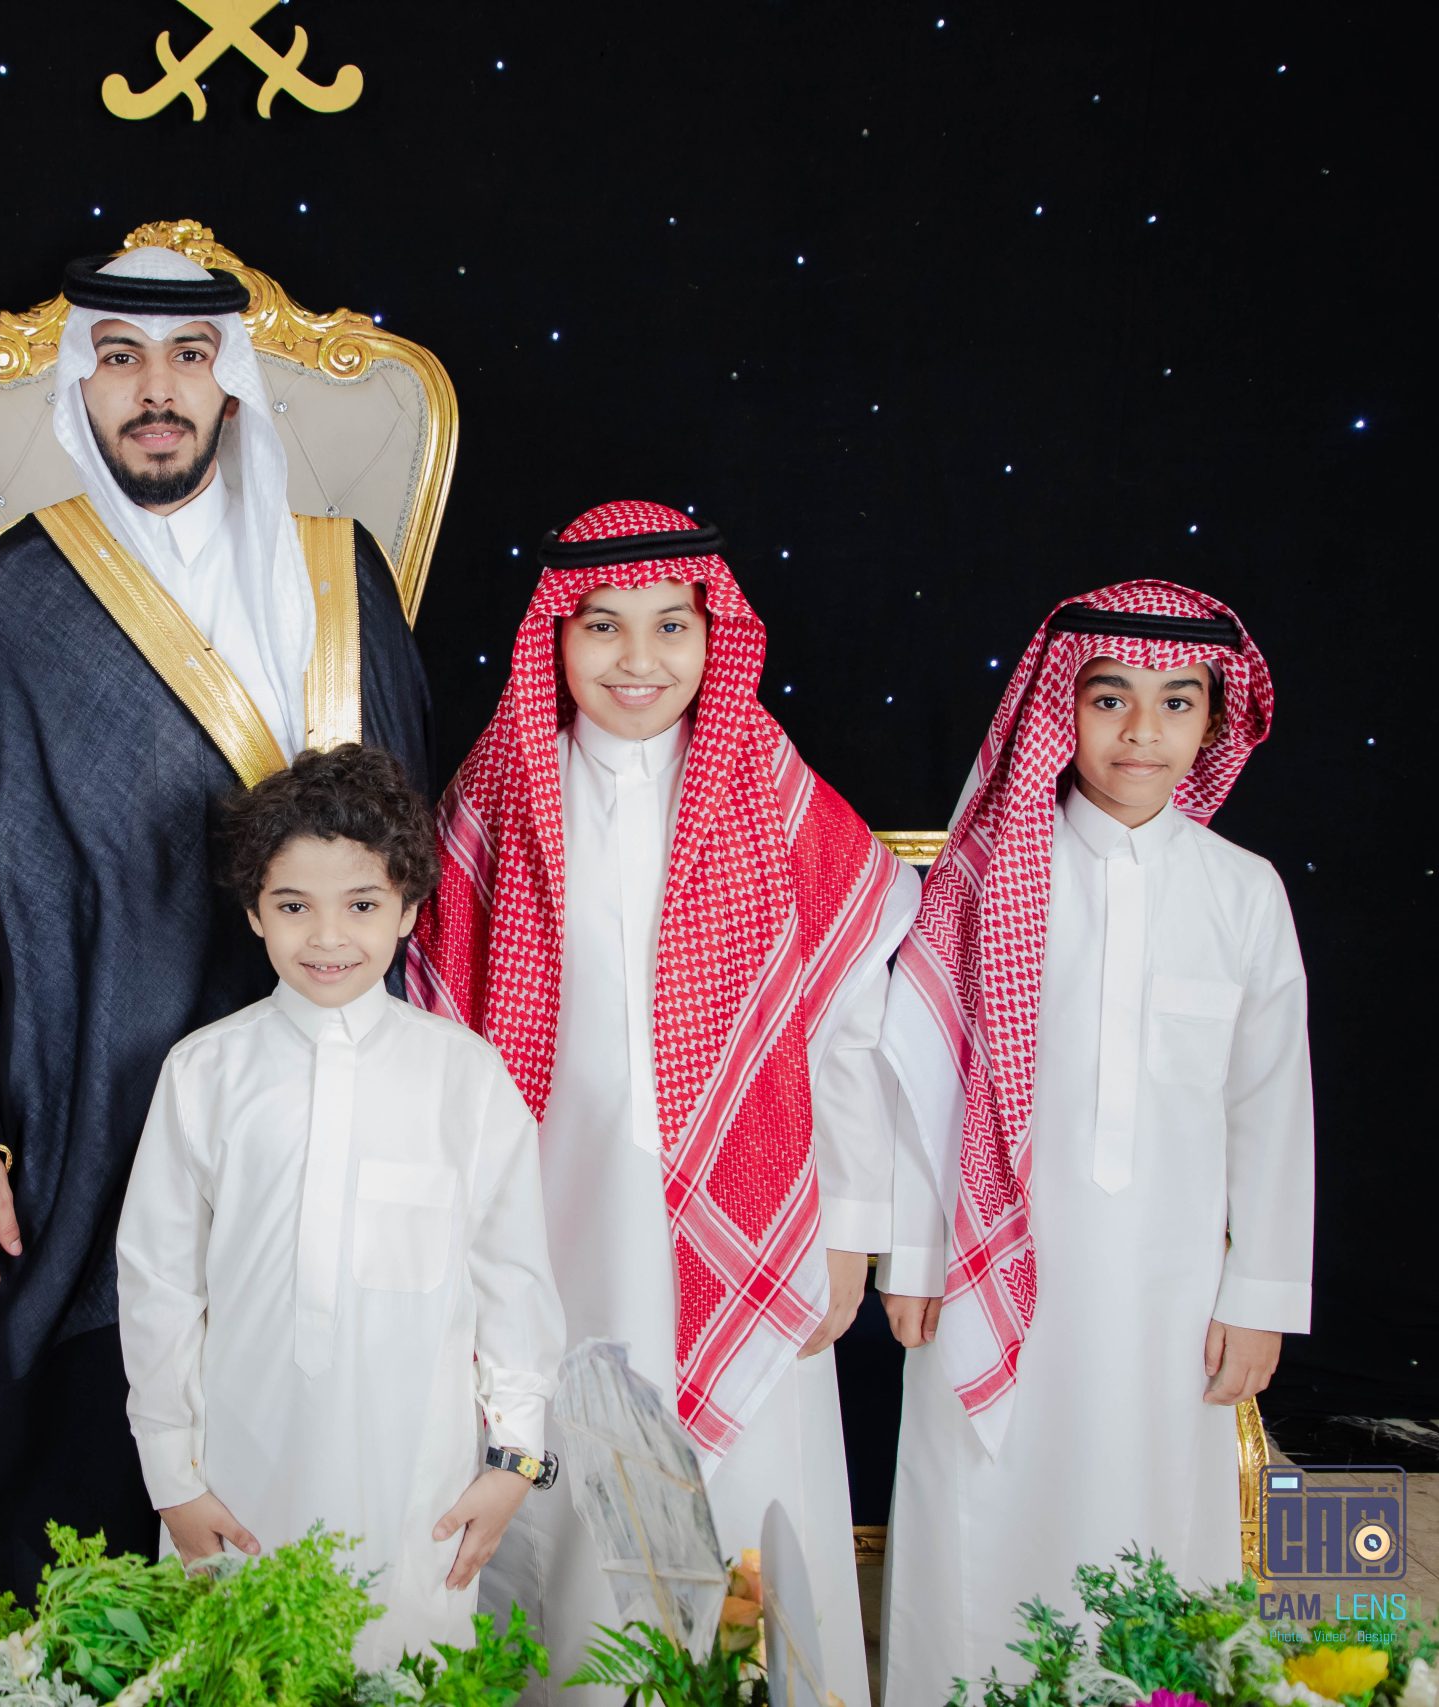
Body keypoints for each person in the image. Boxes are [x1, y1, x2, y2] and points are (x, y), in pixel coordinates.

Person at [0, 244, 432, 1593]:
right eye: (122, 358)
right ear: (80, 385)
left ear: (230, 382)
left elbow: (411, 861)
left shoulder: (341, 576)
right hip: (84, 1086)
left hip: (315, 1086)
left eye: (189, 358)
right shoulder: (10, 595)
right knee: (79, 1506)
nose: (157, 390)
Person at [410, 501, 916, 1705]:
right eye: (601, 626)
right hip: (555, 1214)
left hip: (754, 1209)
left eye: (670, 626)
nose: (637, 659)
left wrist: (849, 1226)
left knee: (747, 1499)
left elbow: (845, 1027)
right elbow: (438, 1021)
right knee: (562, 1462)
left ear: (712, 633)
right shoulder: (500, 790)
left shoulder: (768, 785)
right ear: (554, 636)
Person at [877, 582, 1310, 1705]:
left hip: (1174, 1286)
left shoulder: (1242, 892)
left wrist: (1261, 1291)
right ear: (1056, 710)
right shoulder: (981, 883)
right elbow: (923, 1084)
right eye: (1109, 698)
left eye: (1178, 702)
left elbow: (1271, 1107)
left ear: (1216, 720)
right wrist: (914, 1255)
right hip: (990, 1266)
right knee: (982, 1508)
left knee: (1157, 1512)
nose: (1142, 730)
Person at [116, 743, 563, 1667]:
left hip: (418, 1493)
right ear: (254, 911)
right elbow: (158, 1284)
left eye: (361, 905)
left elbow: (514, 1280)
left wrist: (515, 1456)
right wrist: (171, 1477)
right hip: (234, 1485)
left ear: (408, 907)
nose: (328, 937)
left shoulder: (465, 1077)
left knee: (403, 1672)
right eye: (294, 906)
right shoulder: (205, 1071)